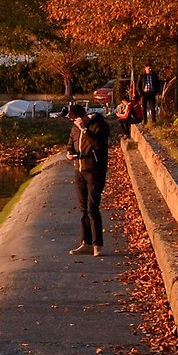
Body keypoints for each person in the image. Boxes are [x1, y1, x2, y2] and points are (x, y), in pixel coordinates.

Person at [66, 101, 111, 256]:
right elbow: (70, 143)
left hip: (95, 171)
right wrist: (69, 153)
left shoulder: (99, 125)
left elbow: (98, 144)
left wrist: (84, 130)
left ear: (83, 117)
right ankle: (86, 242)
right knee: (83, 209)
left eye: (77, 120)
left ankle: (98, 244)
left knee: (93, 208)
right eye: (73, 122)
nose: (75, 124)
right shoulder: (74, 129)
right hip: (79, 170)